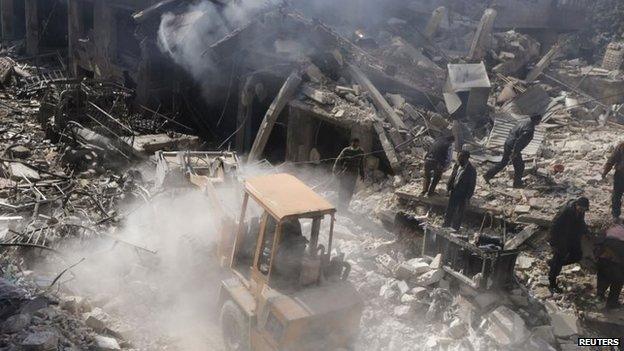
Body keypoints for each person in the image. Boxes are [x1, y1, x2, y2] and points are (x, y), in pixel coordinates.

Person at [483, 114, 542, 188]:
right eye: (539, 121)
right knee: (519, 166)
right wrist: (515, 152)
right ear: (536, 120)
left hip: (508, 143)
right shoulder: (529, 129)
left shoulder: (523, 122)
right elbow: (519, 141)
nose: (539, 122)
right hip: (513, 147)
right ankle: (517, 184)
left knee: (503, 163)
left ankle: (487, 175)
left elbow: (512, 131)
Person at [547, 197, 590, 293]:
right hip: (559, 239)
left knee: (577, 255)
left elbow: (580, 222)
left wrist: (586, 231)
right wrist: (553, 241)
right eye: (582, 209)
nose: (583, 211)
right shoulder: (565, 211)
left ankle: (553, 264)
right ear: (577, 205)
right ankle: (552, 284)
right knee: (558, 260)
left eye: (584, 209)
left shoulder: (580, 210)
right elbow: (554, 225)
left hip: (571, 238)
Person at [443, 151, 477, 230]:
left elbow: (472, 185)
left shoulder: (471, 170)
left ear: (466, 159)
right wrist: (448, 188)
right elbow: (452, 176)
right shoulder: (457, 165)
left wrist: (468, 197)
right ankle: (446, 225)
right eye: (458, 157)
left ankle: (455, 228)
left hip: (463, 194)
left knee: (459, 212)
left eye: (460, 157)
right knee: (449, 209)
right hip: (454, 191)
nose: (458, 159)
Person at [594, 223, 624, 309]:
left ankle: (599, 298)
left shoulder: (612, 229)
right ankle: (612, 302)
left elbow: (598, 242)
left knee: (603, 278)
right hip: (616, 261)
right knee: (618, 281)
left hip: (603, 258)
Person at [333, 138, 365, 207]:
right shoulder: (346, 151)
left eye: (356, 144)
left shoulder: (361, 152)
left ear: (358, 144)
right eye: (353, 144)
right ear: (351, 144)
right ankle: (340, 207)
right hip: (345, 174)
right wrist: (336, 171)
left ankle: (345, 207)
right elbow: (338, 161)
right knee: (342, 190)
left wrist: (362, 174)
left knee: (350, 191)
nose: (355, 146)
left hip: (354, 175)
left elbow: (361, 164)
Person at [602, 141, 624, 222]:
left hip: (620, 175)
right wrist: (605, 172)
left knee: (616, 196)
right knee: (616, 196)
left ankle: (615, 216)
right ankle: (615, 216)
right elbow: (611, 160)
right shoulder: (621, 146)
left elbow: (611, 160)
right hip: (620, 175)